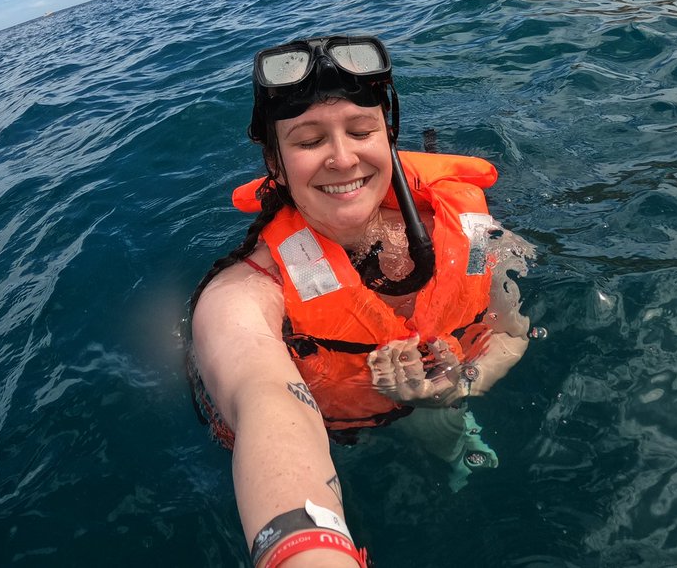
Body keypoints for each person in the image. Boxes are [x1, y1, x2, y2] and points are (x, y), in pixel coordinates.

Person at [188, 34, 534, 568]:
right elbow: (266, 401)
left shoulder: (472, 229)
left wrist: (459, 385)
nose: (342, 158)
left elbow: (510, 331)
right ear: (275, 164)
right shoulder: (244, 293)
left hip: (440, 405)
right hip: (345, 440)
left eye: (361, 131)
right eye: (308, 141)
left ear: (388, 139)